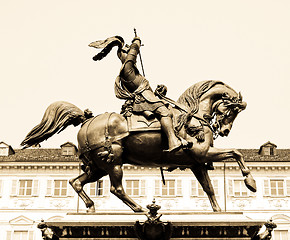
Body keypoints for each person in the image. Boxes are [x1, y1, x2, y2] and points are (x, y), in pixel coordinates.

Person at [114, 36, 189, 153]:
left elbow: (148, 92)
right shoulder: (127, 69)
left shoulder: (134, 73)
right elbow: (132, 56)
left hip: (148, 99)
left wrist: (159, 92)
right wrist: (136, 43)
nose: (130, 54)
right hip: (144, 101)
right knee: (165, 112)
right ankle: (173, 141)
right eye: (127, 52)